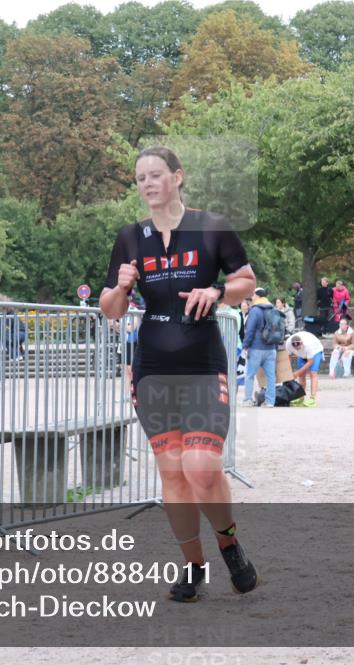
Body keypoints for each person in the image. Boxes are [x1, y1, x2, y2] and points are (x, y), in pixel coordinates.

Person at [100, 145, 259, 603]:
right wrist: (123, 286)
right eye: (140, 178)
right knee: (172, 475)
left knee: (202, 468)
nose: (147, 183)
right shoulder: (130, 238)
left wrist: (216, 290)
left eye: (155, 175)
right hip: (151, 369)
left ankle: (229, 546)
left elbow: (246, 281)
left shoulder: (212, 227)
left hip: (202, 365)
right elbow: (110, 309)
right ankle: (193, 566)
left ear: (177, 177)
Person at [241, 288, 278, 408]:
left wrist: (245, 345)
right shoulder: (273, 308)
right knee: (271, 376)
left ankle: (247, 399)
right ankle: (270, 401)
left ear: (257, 296)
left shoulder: (255, 310)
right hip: (271, 347)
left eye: (253, 294)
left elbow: (250, 330)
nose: (252, 296)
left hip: (256, 347)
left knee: (250, 375)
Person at [287, 331, 323, 405]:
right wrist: (288, 371)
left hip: (315, 351)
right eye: (295, 347)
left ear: (302, 343)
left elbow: (310, 362)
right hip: (302, 354)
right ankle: (301, 398)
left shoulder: (308, 345)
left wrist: (297, 373)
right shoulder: (288, 344)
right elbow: (288, 358)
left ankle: (312, 399)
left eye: (298, 346)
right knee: (301, 375)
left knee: (313, 373)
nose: (297, 348)